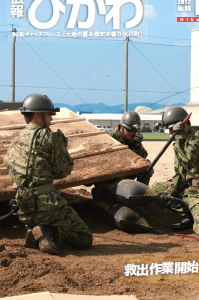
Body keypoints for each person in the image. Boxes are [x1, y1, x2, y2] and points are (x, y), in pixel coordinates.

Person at [4, 94, 92, 255]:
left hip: (23, 208)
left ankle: (34, 228)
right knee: (84, 238)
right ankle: (44, 232)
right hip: (48, 205)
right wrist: (62, 147)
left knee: (41, 216)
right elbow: (63, 171)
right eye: (49, 115)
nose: (51, 119)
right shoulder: (50, 137)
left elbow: (11, 167)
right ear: (38, 115)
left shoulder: (15, 140)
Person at [151, 106, 199, 239]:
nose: (170, 132)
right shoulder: (180, 143)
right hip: (191, 189)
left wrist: (179, 137)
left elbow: (190, 158)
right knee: (156, 190)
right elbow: (180, 175)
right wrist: (171, 192)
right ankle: (194, 213)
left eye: (171, 128)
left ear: (180, 125)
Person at [108, 110, 153, 185]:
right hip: (112, 174)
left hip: (127, 171)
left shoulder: (133, 138)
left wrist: (137, 147)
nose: (132, 133)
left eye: (134, 130)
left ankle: (140, 192)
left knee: (147, 166)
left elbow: (143, 156)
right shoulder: (110, 137)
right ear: (122, 126)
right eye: (129, 130)